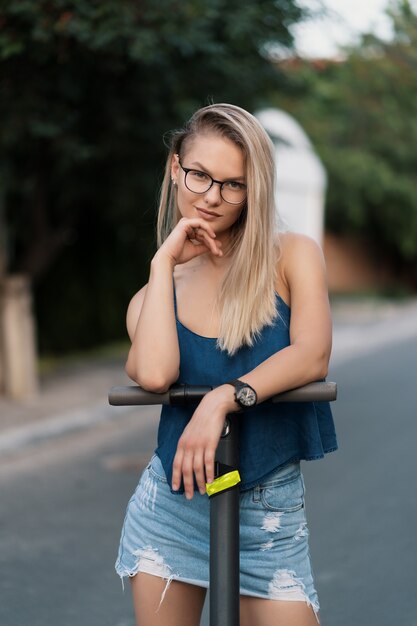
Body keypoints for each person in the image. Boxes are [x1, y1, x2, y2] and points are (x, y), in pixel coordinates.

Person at [115, 103, 337, 626]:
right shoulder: (155, 293)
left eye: (233, 184)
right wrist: (163, 262)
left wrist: (222, 398)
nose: (213, 197)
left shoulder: (292, 256)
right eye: (200, 176)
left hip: (269, 514)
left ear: (253, 188)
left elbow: (312, 354)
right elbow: (153, 375)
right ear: (175, 167)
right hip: (172, 508)